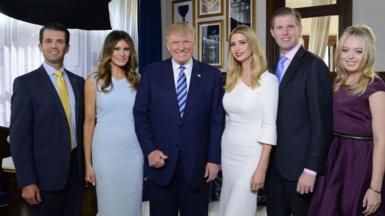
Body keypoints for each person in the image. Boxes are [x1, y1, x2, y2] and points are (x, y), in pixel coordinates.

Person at [133, 23, 224, 216]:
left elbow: (217, 121)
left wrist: (214, 159)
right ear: (167, 45)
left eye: (186, 41)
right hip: (161, 164)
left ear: (194, 43)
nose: (181, 47)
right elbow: (141, 115)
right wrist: (149, 150)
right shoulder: (151, 73)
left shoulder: (211, 76)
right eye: (175, 42)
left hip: (198, 166)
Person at [308, 25, 385, 216]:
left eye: (358, 51)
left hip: (360, 159)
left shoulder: (375, 85)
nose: (351, 56)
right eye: (346, 50)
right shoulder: (337, 82)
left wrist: (375, 188)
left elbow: (381, 139)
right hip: (335, 155)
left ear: (368, 54)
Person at [9, 23, 85, 216]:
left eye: (60, 41)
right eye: (48, 41)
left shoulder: (79, 82)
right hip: (43, 179)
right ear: (40, 46)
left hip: (75, 175)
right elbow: (19, 138)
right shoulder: (25, 84)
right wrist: (27, 181)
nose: (54, 46)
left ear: (67, 47)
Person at [265, 7, 333, 215]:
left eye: (290, 27)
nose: (285, 32)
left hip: (300, 168)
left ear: (299, 29)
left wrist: (311, 169)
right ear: (272, 33)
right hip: (273, 166)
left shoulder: (314, 65)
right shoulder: (271, 67)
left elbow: (322, 123)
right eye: (279, 27)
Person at [218, 25, 279, 216]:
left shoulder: (267, 80)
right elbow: (228, 119)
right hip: (229, 150)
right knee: (228, 204)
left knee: (238, 209)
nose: (237, 48)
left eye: (242, 42)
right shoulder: (232, 79)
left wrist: (262, 167)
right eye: (233, 44)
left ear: (252, 44)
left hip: (251, 153)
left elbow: (269, 126)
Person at [83, 30, 143, 215]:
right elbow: (88, 123)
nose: (122, 53)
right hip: (105, 153)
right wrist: (88, 164)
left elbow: (144, 120)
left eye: (126, 49)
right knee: (108, 205)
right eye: (116, 48)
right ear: (108, 51)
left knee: (132, 205)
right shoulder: (93, 81)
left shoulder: (138, 80)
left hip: (134, 151)